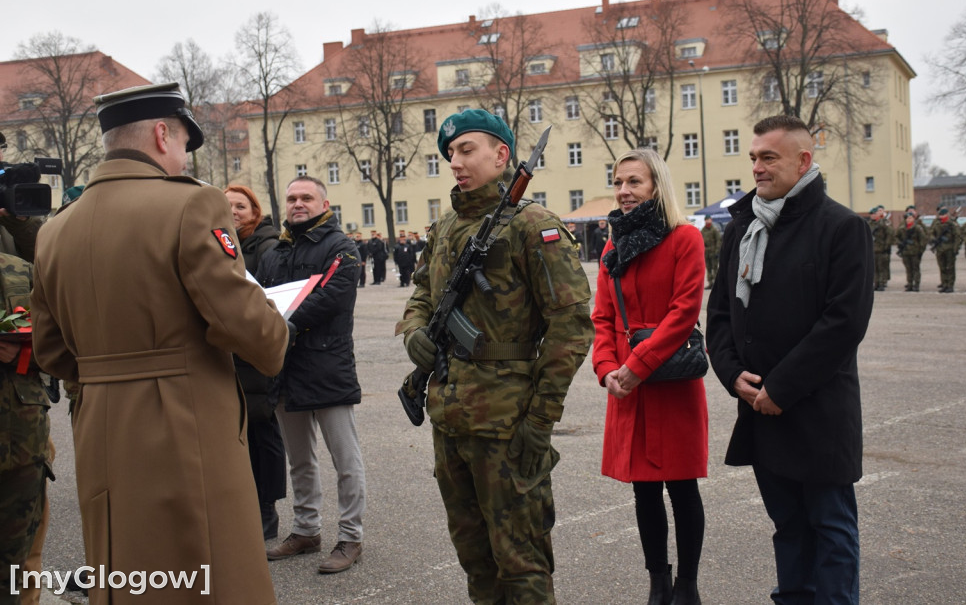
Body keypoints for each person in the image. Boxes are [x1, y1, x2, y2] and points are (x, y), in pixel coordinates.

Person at [30, 82, 291, 604]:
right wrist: (272, 322)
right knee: (213, 579)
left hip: (101, 432)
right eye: (182, 145)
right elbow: (255, 334)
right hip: (187, 428)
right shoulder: (192, 205)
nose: (182, 159)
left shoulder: (55, 230)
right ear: (160, 133)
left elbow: (53, 352)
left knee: (128, 577)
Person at [396, 109, 593, 603]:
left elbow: (571, 328)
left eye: (466, 150)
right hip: (450, 418)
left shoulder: (534, 226)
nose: (455, 162)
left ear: (502, 154)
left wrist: (540, 420)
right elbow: (421, 292)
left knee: (522, 563)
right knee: (475, 562)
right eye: (449, 154)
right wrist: (415, 331)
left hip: (508, 425)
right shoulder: (445, 229)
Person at [706, 115, 873, 605]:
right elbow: (719, 314)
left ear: (803, 161)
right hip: (758, 408)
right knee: (788, 526)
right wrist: (733, 375)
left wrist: (781, 389)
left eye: (768, 158)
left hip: (817, 411)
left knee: (830, 526)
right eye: (753, 157)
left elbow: (843, 324)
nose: (756, 167)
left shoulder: (843, 228)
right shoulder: (742, 229)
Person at [591, 148, 708, 605]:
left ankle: (688, 586)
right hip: (625, 383)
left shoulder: (685, 239)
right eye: (619, 182)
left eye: (634, 182)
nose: (623, 191)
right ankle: (658, 582)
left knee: (682, 488)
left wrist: (636, 368)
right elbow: (601, 318)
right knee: (644, 491)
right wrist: (605, 371)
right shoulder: (612, 244)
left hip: (670, 382)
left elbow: (683, 315)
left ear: (656, 186)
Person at [259, 176, 367, 575]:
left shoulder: (342, 247)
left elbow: (331, 297)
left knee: (346, 460)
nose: (297, 203)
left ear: (324, 203)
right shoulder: (276, 251)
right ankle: (306, 530)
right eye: (291, 198)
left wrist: (277, 323)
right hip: (286, 368)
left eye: (306, 197)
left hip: (327, 367)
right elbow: (262, 298)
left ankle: (351, 536)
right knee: (299, 460)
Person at [0, 127, 49, 605]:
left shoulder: (9, 217)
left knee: (21, 558)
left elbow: (52, 276)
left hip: (21, 421)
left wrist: (22, 220)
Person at [224, 184, 287, 540]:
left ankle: (267, 511)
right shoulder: (221, 244)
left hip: (255, 350)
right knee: (240, 434)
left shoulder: (265, 245)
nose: (233, 210)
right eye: (226, 204)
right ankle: (247, 507)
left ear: (255, 212)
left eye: (240, 205)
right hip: (231, 354)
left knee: (263, 431)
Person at [930, 207, 962, 293]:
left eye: (943, 214)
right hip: (940, 248)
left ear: (947, 215)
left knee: (950, 268)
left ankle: (950, 285)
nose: (941, 216)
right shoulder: (937, 224)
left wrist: (955, 248)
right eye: (940, 215)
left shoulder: (952, 224)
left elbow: (957, 236)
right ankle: (944, 284)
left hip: (949, 248)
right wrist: (934, 239)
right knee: (942, 268)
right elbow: (931, 233)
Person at [896, 212, 928, 292]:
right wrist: (900, 244)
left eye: (910, 218)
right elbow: (896, 237)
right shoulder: (902, 228)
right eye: (907, 218)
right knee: (908, 269)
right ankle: (909, 284)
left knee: (915, 269)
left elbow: (923, 240)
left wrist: (921, 251)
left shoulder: (917, 228)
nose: (908, 220)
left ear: (914, 219)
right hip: (905, 252)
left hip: (915, 251)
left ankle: (916, 285)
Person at [868, 206, 895, 291]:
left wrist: (886, 246)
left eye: (874, 214)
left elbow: (890, 234)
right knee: (874, 268)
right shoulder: (869, 224)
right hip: (873, 249)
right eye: (871, 214)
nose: (872, 216)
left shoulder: (884, 223)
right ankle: (876, 283)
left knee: (882, 267)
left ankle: (882, 283)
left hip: (882, 249)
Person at [700, 215, 721, 290]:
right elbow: (701, 241)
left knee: (715, 268)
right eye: (706, 220)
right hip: (706, 252)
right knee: (708, 268)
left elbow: (718, 240)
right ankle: (710, 283)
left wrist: (717, 251)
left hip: (713, 250)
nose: (707, 221)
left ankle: (716, 284)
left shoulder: (714, 229)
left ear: (711, 220)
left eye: (708, 220)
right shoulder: (703, 230)